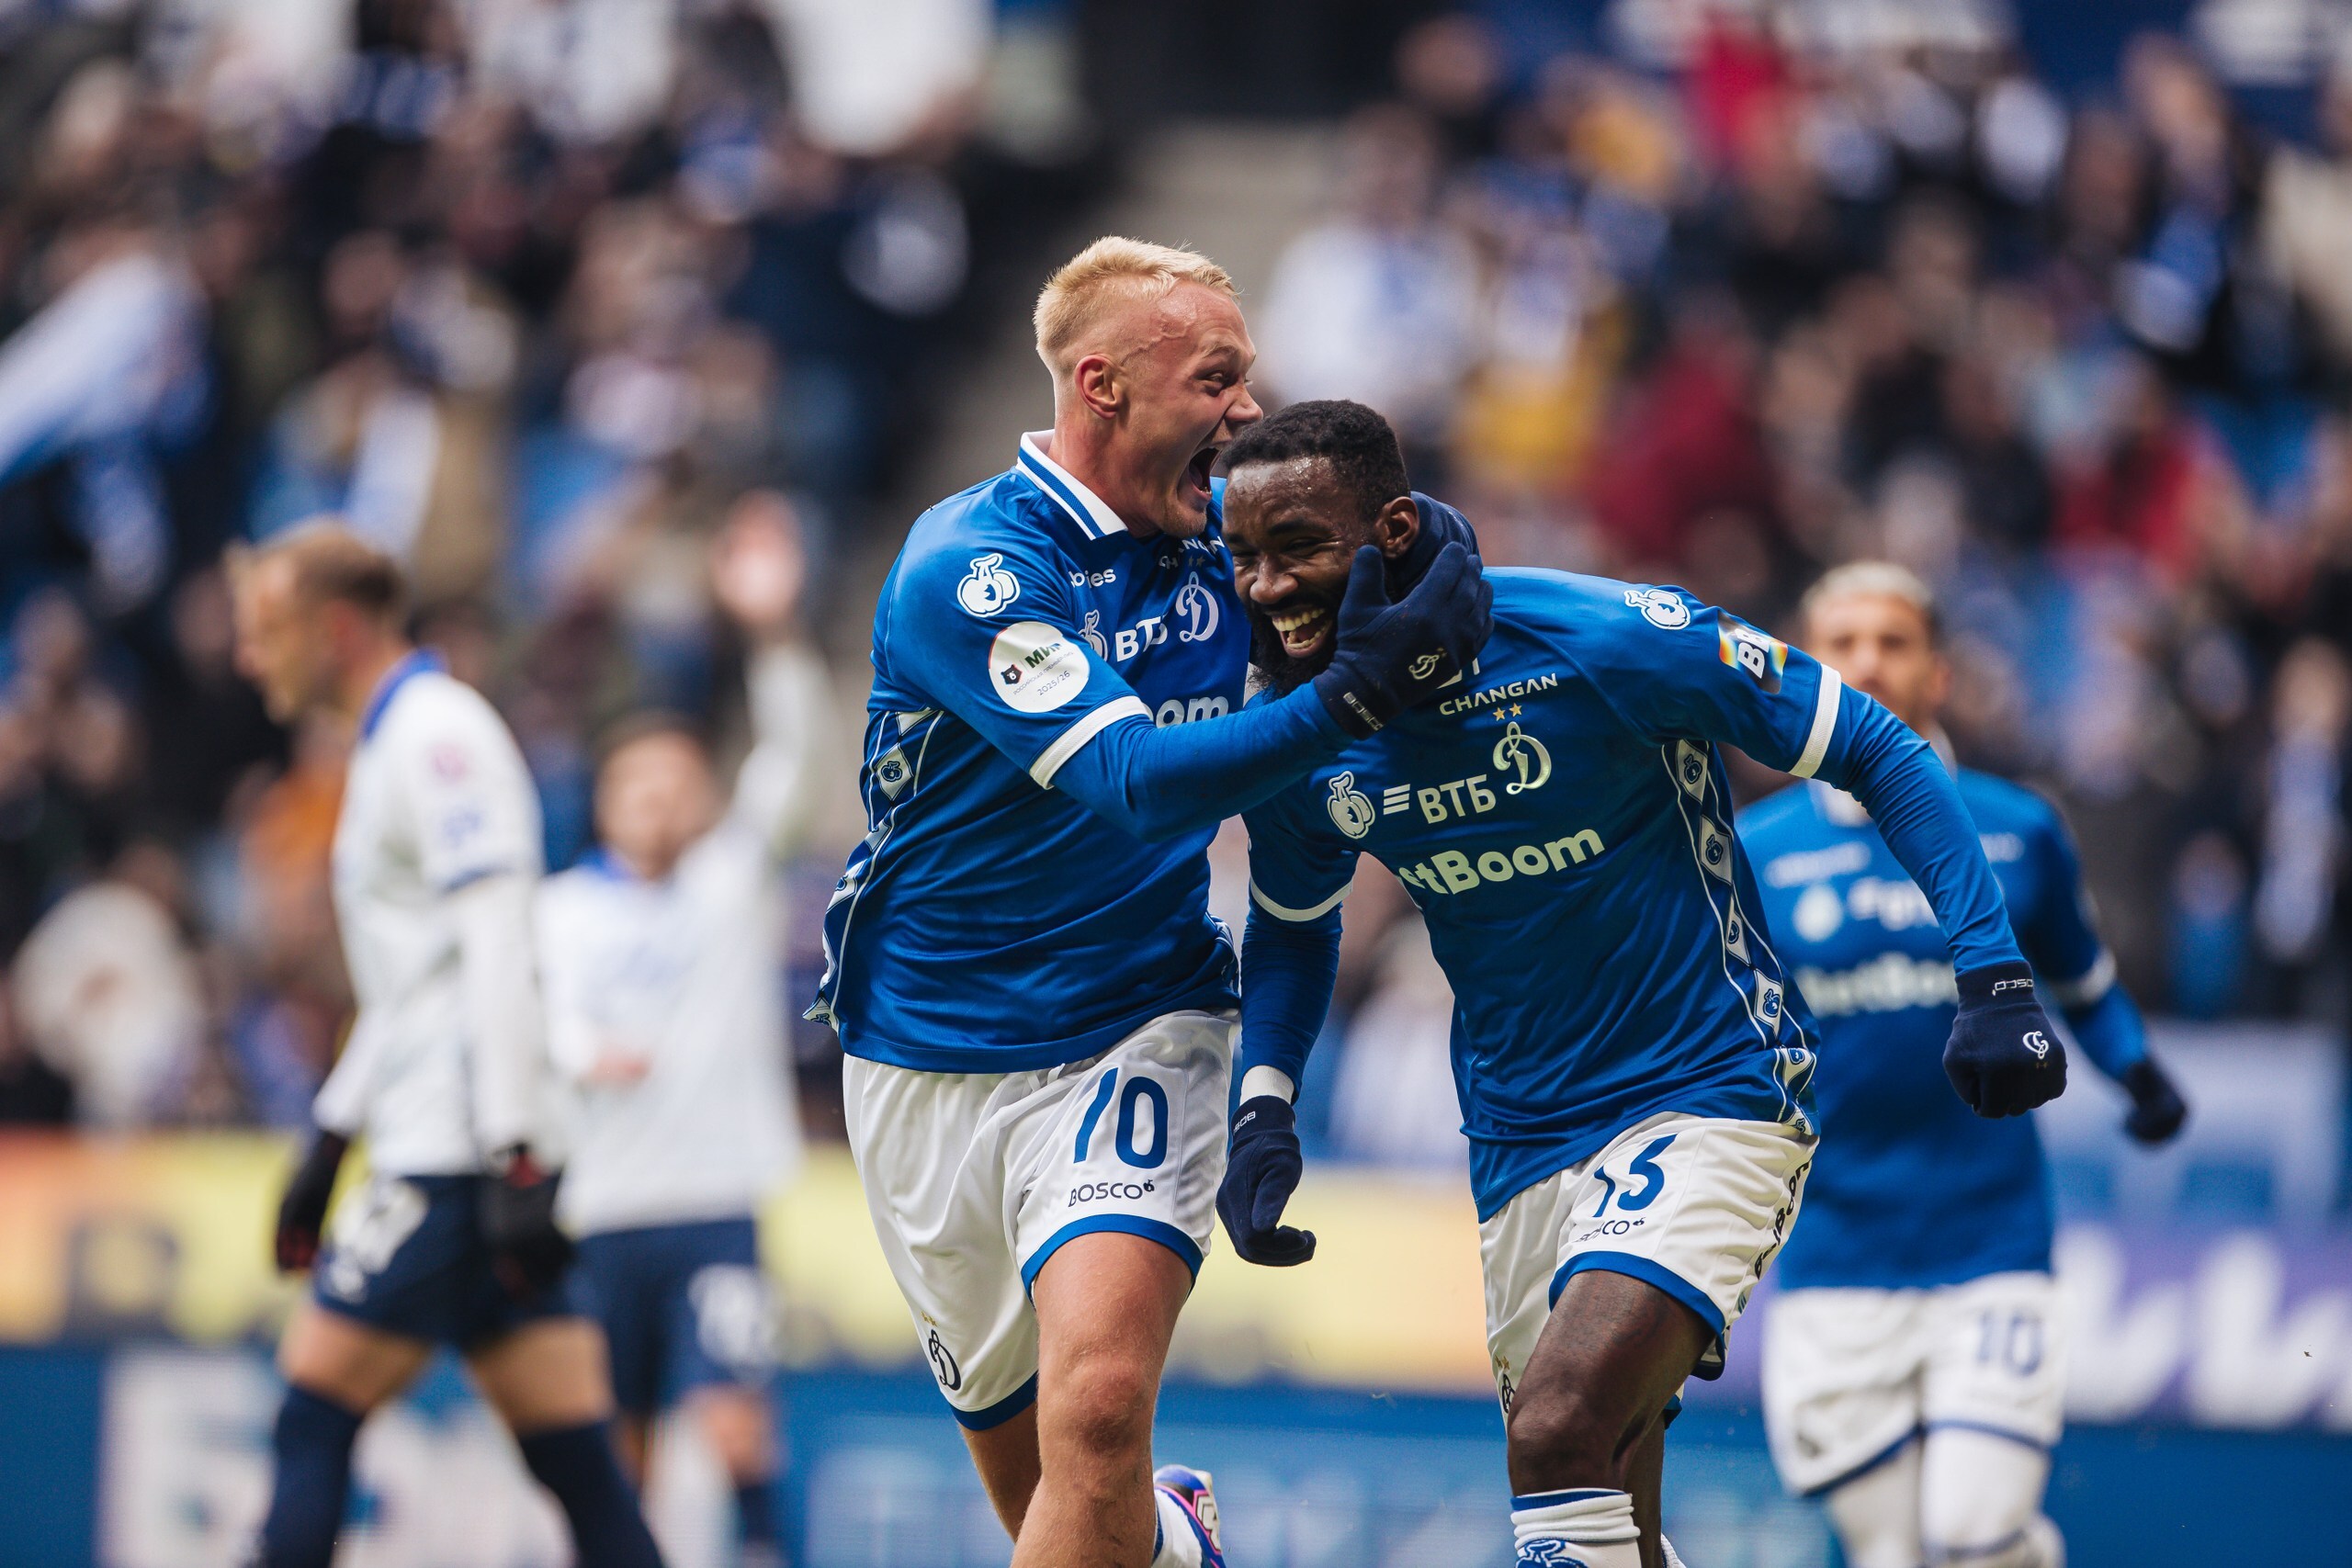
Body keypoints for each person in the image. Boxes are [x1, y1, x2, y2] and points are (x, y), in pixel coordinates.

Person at [1210, 400, 2067, 1568]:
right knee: (1612, 1508)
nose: (1262, 586)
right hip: (1515, 1136)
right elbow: (1295, 926)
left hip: (1707, 1089)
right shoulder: (1304, 727)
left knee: (1557, 1432)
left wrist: (1993, 971)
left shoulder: (1603, 637)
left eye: (1296, 545)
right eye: (1241, 553)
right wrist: (1263, 1107)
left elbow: (1875, 745)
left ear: (1392, 529)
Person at [808, 239, 1491, 1568]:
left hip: (1141, 1019)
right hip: (920, 1058)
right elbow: (1131, 777)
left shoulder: (1223, 555)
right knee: (1072, 1507)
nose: (1248, 407)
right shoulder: (974, 566)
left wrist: (1423, 549)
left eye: (1250, 376)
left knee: (1104, 1409)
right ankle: (1179, 1540)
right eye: (1218, 377)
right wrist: (1350, 694)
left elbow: (1359, 618)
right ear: (1104, 384)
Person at [1738, 563, 2188, 1568]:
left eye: (1892, 641)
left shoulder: (2018, 829)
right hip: (1832, 1256)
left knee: (1973, 1539)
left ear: (1938, 672)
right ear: (1806, 669)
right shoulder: (1751, 849)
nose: (1866, 662)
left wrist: (2137, 1074)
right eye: (1840, 642)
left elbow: (2078, 980)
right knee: (1890, 1556)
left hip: (1990, 1243)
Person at [234, 524, 662, 1568]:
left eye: (268, 630)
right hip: (468, 1150)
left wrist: (512, 1149)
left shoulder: (437, 736)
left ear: (335, 629)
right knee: (578, 1467)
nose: (251, 656)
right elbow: (416, 980)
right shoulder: (392, 740)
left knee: (311, 1417)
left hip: (458, 1160)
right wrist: (330, 1139)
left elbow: (496, 943)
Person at [537, 504, 832, 1568]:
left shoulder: (727, 886)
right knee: (618, 1447)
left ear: (702, 795)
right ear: (605, 801)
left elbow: (796, 753)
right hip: (603, 1208)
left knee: (737, 1417)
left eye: (674, 779)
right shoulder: (560, 912)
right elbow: (535, 1032)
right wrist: (578, 1054)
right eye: (636, 782)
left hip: (715, 1204)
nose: (656, 797)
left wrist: (771, 630)